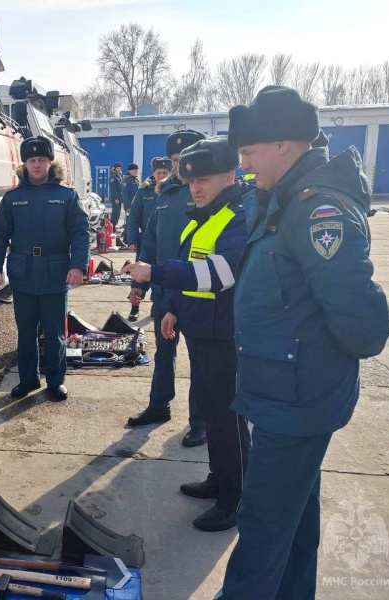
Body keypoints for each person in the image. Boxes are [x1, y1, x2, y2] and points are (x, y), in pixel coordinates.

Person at [218, 86, 389, 599]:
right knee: (293, 527)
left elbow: (364, 326)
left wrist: (309, 357)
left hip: (297, 401)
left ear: (284, 146)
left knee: (263, 530)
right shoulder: (284, 200)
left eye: (249, 153)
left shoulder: (318, 211)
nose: (244, 165)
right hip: (283, 394)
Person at [122, 137, 251, 531]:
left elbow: (221, 274)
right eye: (191, 180)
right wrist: (175, 309)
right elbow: (192, 265)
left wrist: (155, 274)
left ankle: (235, 499)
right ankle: (219, 479)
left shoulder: (239, 215)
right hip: (201, 327)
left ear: (230, 175)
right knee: (214, 413)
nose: (195, 188)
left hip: (225, 333)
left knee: (227, 418)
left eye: (205, 180)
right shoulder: (206, 213)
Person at [0, 136, 90, 402]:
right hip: (23, 273)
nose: (36, 165)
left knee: (55, 332)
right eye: (32, 160)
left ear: (49, 162)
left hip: (55, 272)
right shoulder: (13, 199)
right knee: (25, 332)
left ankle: (55, 381)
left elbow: (80, 232)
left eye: (41, 160)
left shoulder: (66, 196)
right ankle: (28, 380)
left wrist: (78, 265)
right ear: (25, 163)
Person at [126, 130, 209, 448]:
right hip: (164, 293)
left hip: (199, 295)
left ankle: (201, 421)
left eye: (184, 160)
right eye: (175, 161)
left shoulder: (210, 196)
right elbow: (150, 242)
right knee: (164, 354)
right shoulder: (164, 194)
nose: (179, 167)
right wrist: (138, 283)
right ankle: (159, 405)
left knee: (202, 361)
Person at [124, 157, 171, 321]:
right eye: (159, 173)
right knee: (139, 278)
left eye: (165, 172)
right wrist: (132, 240)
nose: (162, 176)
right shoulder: (143, 191)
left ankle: (156, 306)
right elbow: (134, 217)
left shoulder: (172, 191)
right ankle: (134, 307)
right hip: (146, 243)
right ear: (153, 173)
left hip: (166, 245)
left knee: (160, 278)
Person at [109, 162, 125, 229]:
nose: (119, 169)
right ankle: (113, 226)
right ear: (115, 169)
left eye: (120, 168)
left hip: (120, 197)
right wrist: (116, 198)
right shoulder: (113, 176)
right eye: (118, 168)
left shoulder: (119, 175)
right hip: (116, 198)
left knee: (118, 213)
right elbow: (113, 188)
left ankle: (115, 225)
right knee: (115, 213)